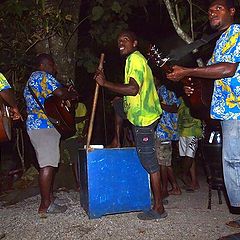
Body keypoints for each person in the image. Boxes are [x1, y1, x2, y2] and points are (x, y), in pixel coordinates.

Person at [166, 0, 240, 227]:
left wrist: (188, 70)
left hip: (237, 110)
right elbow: (208, 76)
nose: (211, 12)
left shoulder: (237, 32)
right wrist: (191, 84)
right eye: (209, 10)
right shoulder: (220, 42)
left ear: (232, 11)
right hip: (229, 113)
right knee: (232, 163)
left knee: (235, 163)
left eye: (218, 8)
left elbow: (229, 69)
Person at [94, 30, 167, 220]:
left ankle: (159, 207)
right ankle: (116, 140)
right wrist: (121, 99)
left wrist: (105, 83)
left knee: (149, 161)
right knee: (118, 105)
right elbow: (133, 92)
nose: (120, 42)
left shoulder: (135, 59)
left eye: (125, 39)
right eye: (118, 40)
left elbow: (133, 89)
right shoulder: (132, 60)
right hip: (137, 112)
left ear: (135, 43)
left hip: (144, 117)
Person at [24, 53, 78, 215]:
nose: (54, 69)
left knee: (48, 163)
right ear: (44, 65)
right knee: (48, 164)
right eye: (52, 65)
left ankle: (49, 198)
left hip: (37, 126)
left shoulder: (32, 80)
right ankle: (46, 205)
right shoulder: (43, 77)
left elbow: (51, 101)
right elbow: (61, 93)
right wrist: (71, 95)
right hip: (43, 127)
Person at [155, 79, 181, 199]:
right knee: (165, 161)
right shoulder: (159, 90)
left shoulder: (165, 90)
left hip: (164, 131)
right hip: (161, 130)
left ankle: (164, 190)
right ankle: (175, 187)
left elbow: (175, 108)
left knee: (162, 163)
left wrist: (159, 104)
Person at [61, 101, 88, 191]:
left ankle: (80, 183)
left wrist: (84, 134)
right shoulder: (63, 105)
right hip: (66, 137)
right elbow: (70, 121)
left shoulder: (81, 106)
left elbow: (87, 122)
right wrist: (85, 117)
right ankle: (73, 184)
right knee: (69, 160)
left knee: (79, 159)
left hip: (79, 136)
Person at [178, 97, 202, 192]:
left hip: (194, 130)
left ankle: (183, 174)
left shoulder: (196, 97)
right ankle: (194, 182)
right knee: (187, 156)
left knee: (190, 155)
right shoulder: (180, 99)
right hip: (182, 130)